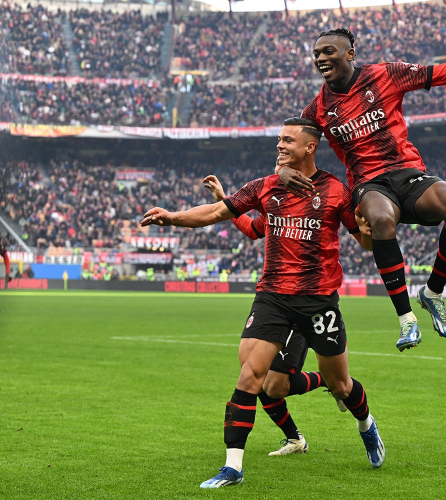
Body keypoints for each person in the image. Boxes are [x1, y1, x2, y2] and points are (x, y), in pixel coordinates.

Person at [141, 118, 384, 489]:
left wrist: (370, 234)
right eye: (279, 139)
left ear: (310, 147)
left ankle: (366, 425)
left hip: (318, 301)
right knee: (251, 376)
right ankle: (233, 468)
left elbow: (364, 241)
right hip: (272, 297)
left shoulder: (336, 190)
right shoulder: (265, 186)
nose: (280, 145)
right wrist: (172, 217)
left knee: (340, 384)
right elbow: (217, 212)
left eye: (288, 140)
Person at [278, 28, 446, 351]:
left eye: (328, 51)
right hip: (369, 184)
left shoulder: (385, 75)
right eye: (316, 54)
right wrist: (282, 171)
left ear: (350, 54)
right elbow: (292, 148)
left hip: (408, 174)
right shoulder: (316, 110)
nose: (320, 58)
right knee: (381, 219)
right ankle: (406, 319)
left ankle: (432, 293)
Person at [202, 173, 349, 457]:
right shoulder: (275, 206)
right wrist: (225, 200)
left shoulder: (318, 201)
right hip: (275, 300)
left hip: (304, 302)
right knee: (258, 380)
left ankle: (330, 381)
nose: (280, 168)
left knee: (273, 384)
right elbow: (251, 229)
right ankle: (295, 439)